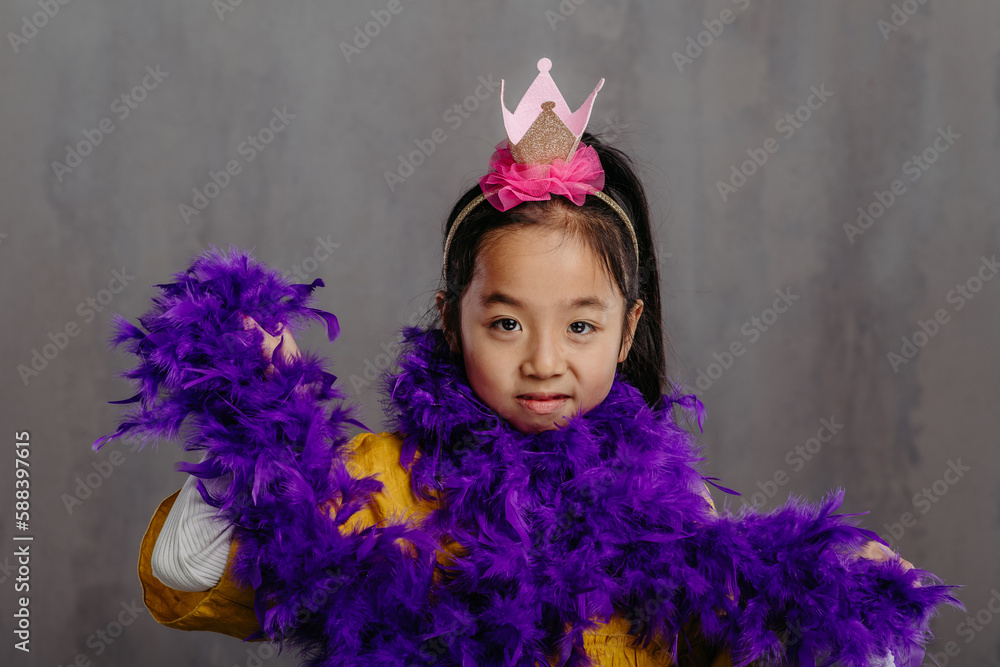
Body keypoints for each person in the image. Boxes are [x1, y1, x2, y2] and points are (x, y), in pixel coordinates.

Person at [98, 59, 957, 667]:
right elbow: (185, 573)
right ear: (452, 320)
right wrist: (259, 427)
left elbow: (731, 636)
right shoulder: (375, 482)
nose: (544, 361)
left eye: (581, 326)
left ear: (627, 331)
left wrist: (837, 598)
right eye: (506, 323)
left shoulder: (668, 506)